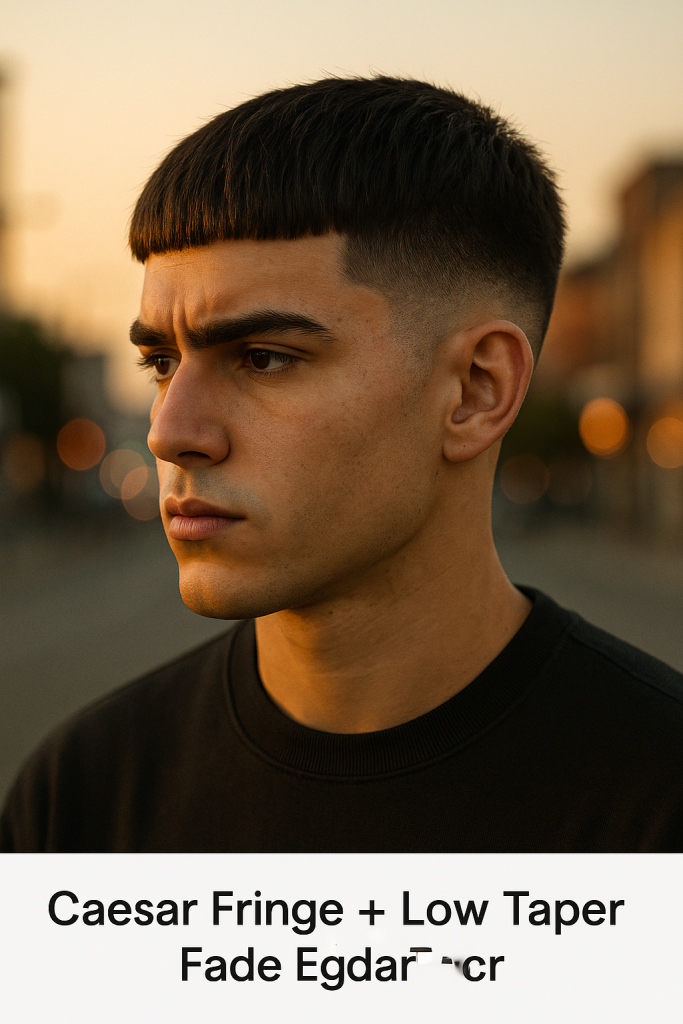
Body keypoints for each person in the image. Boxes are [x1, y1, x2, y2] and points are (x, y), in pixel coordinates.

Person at [3, 75, 683, 853]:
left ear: (474, 391)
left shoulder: (654, 808)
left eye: (262, 358)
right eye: (161, 361)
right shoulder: (82, 799)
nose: (170, 433)